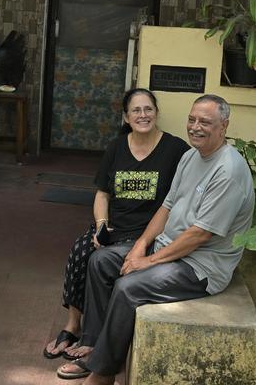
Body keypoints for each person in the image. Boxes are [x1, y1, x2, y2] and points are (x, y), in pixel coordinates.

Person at [56, 94, 255, 383]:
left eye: (205, 122)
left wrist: (147, 262)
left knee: (128, 288)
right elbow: (167, 206)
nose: (195, 127)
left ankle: (103, 374)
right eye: (192, 119)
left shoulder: (229, 171)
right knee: (100, 261)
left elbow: (199, 235)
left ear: (223, 126)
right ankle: (93, 346)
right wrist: (139, 246)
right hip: (168, 248)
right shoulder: (191, 156)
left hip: (200, 266)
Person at [42, 88, 190, 360]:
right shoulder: (116, 147)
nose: (143, 115)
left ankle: (96, 337)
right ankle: (73, 326)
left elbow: (181, 198)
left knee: (100, 261)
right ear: (126, 117)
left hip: (149, 232)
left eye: (148, 109)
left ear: (156, 113)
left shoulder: (176, 149)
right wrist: (101, 225)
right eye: (136, 110)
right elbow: (102, 193)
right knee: (81, 250)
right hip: (115, 229)